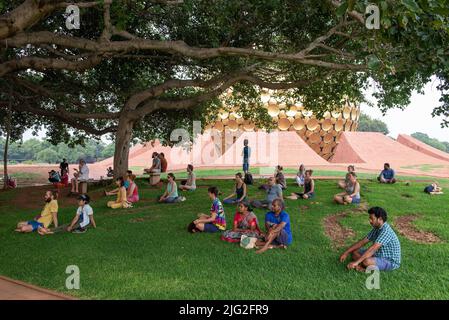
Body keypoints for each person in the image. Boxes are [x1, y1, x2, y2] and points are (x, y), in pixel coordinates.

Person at [339, 207, 401, 272]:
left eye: (372, 218)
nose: (370, 221)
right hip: (378, 254)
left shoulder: (386, 231)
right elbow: (363, 241)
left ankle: (363, 266)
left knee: (366, 261)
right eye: (369, 218)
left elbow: (373, 249)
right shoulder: (377, 228)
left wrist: (356, 262)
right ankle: (362, 265)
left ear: (380, 219)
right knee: (354, 251)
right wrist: (346, 252)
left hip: (389, 261)